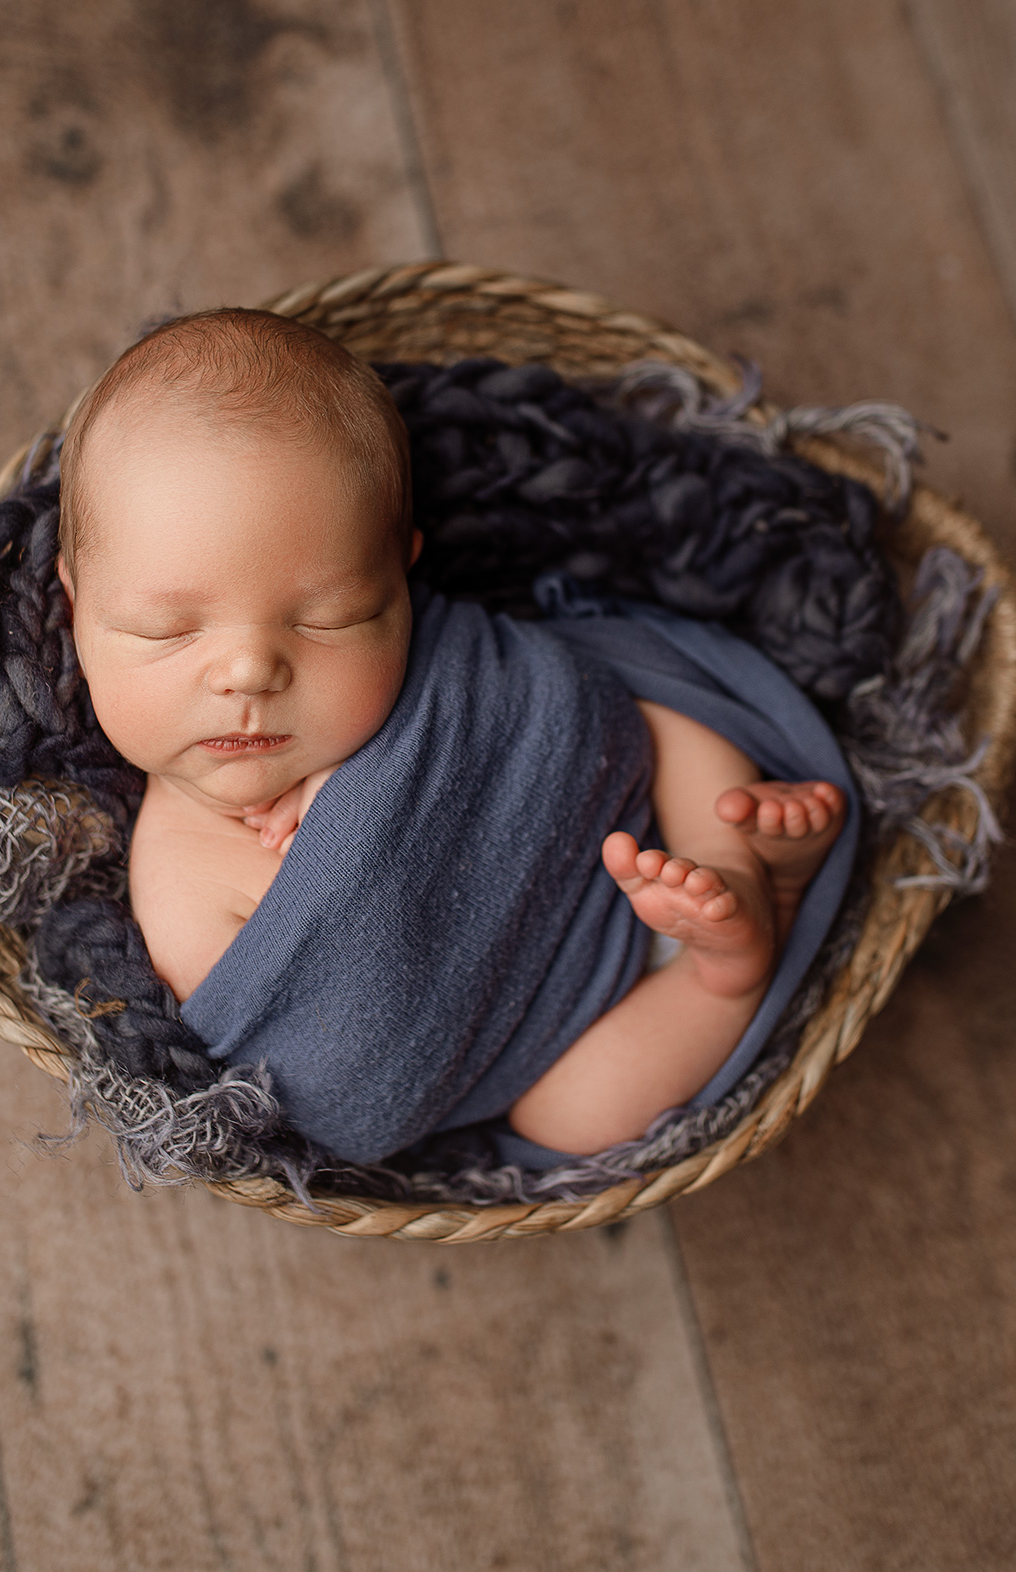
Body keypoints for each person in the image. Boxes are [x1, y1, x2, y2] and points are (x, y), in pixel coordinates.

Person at [56, 308, 847, 1160]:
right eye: (168, 632)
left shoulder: (435, 678)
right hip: (560, 1038)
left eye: (331, 618)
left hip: (626, 815)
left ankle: (732, 855)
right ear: (75, 606)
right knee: (575, 1120)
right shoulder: (154, 864)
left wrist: (379, 776)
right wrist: (360, 835)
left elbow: (558, 710)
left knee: (647, 705)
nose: (249, 672)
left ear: (401, 579)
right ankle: (726, 976)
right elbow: (338, 1073)